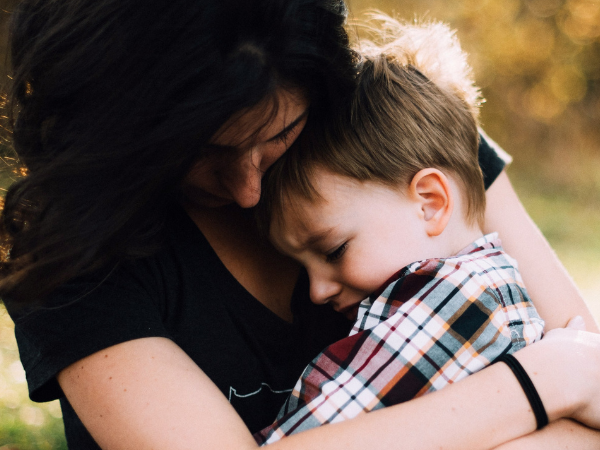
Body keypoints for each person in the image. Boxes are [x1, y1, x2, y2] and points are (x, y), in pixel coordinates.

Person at [0, 1, 599, 449]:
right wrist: (540, 384)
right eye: (199, 153)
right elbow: (579, 376)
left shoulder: (398, 138)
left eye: (278, 137)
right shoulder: (70, 247)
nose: (247, 191)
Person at [255, 21, 546, 443]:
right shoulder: (492, 289)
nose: (316, 291)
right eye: (303, 267)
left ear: (430, 203)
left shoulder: (455, 302)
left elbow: (311, 434)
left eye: (334, 250)